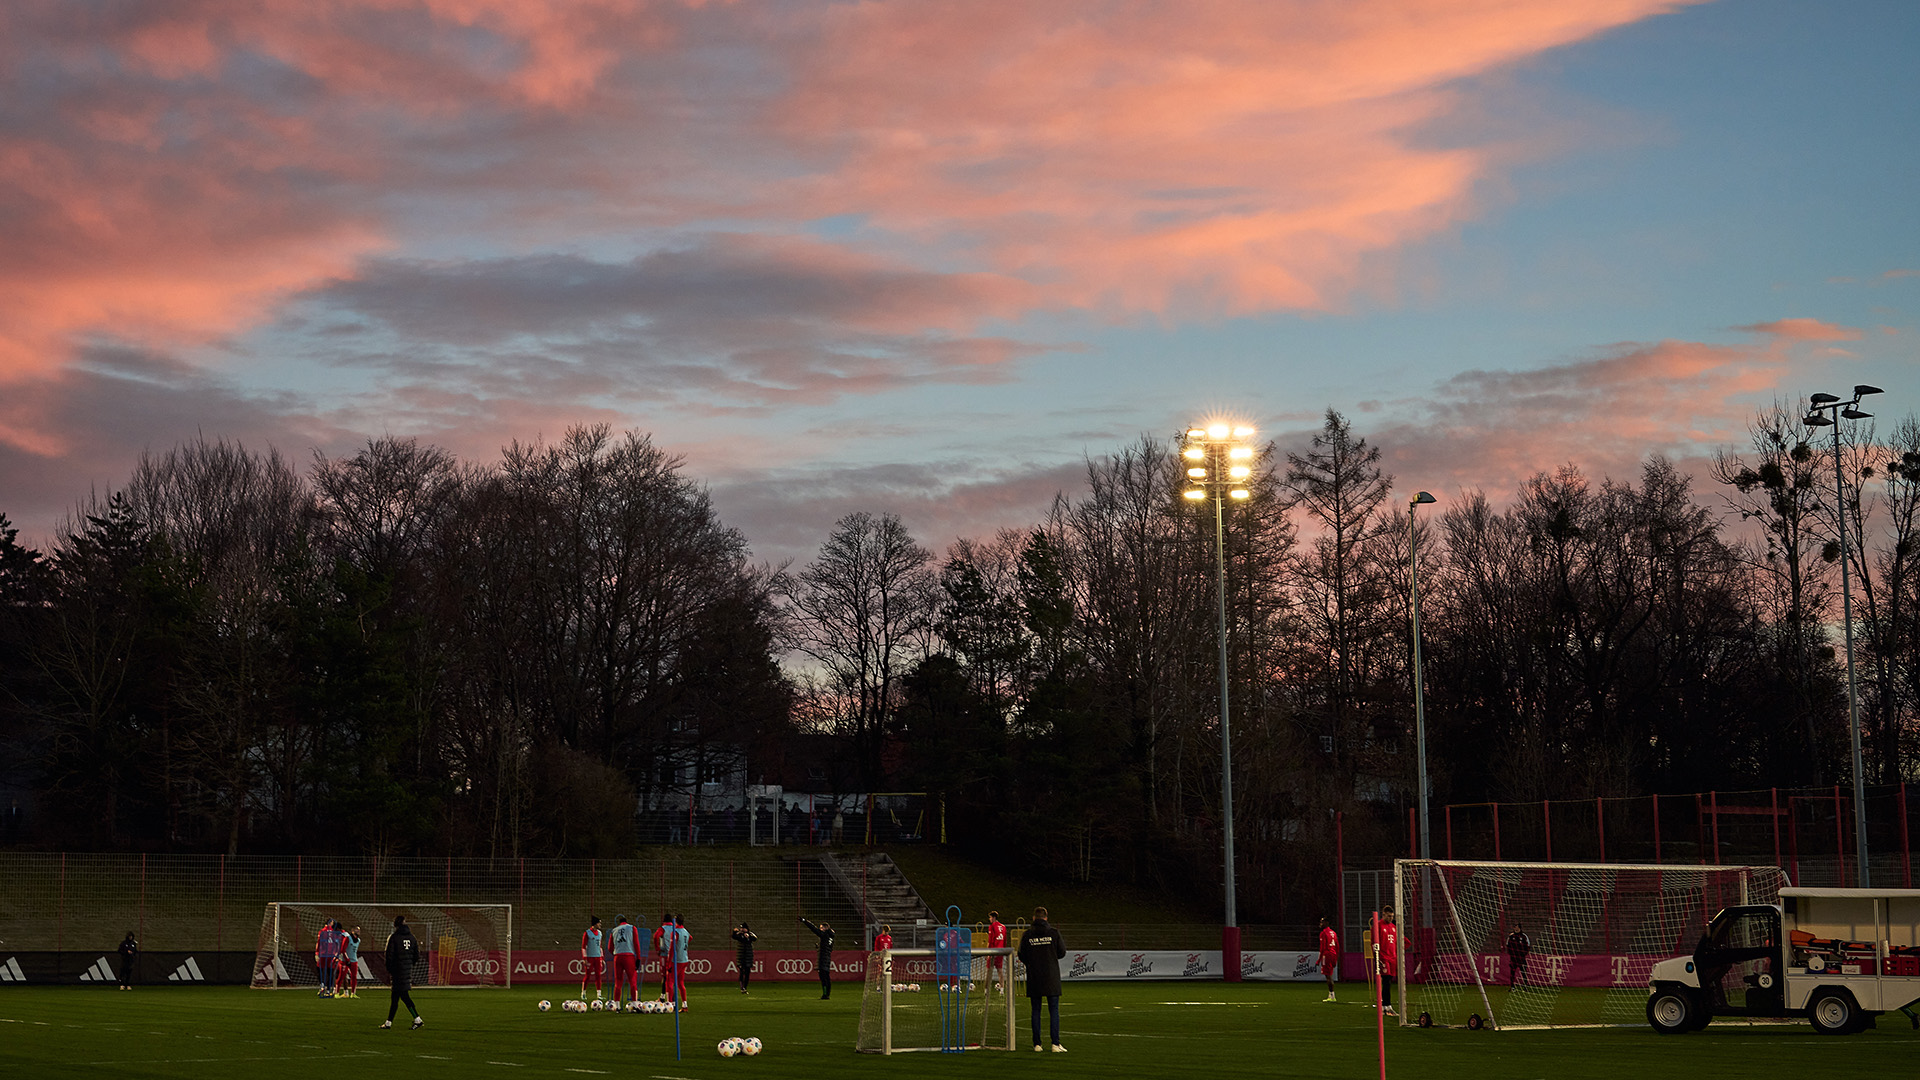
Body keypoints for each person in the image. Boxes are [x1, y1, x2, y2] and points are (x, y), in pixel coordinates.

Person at [1017, 906, 1066, 1053]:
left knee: (1036, 1011)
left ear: (1033, 918)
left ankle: (1037, 1044)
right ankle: (1055, 1044)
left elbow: (1021, 955)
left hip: (1034, 976)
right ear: (1046, 917)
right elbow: (1062, 952)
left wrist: (1032, 962)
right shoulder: (1054, 933)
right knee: (1054, 1010)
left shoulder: (1027, 935)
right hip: (1051, 976)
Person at [381, 915, 423, 1029]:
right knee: (399, 996)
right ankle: (389, 1022)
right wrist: (409, 965)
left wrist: (390, 969)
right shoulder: (412, 937)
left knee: (401, 996)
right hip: (407, 970)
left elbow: (389, 955)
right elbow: (416, 955)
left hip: (397, 971)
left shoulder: (394, 937)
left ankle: (417, 1019)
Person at [800, 917, 835, 999]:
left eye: (822, 928)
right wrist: (819, 946)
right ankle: (827, 994)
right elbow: (828, 947)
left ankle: (825, 995)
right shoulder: (831, 936)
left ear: (826, 928)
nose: (821, 929)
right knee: (826, 976)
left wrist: (805, 921)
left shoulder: (825, 934)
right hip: (827, 957)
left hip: (823, 958)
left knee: (823, 977)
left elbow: (814, 929)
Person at [610, 915, 639, 1006]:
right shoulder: (632, 928)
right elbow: (636, 944)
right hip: (629, 956)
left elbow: (609, 947)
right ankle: (634, 1003)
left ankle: (617, 1006)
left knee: (618, 981)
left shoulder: (614, 930)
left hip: (617, 956)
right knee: (632, 980)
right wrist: (638, 958)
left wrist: (615, 953)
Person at [1378, 908, 1399, 1017]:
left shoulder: (1393, 927)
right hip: (1383, 957)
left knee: (1389, 980)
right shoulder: (1378, 926)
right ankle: (1385, 1006)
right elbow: (1374, 942)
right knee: (1386, 981)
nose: (1391, 918)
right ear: (1383, 914)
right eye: (1389, 916)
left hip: (1392, 958)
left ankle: (1387, 1006)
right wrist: (1377, 957)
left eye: (1392, 916)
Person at [580, 915, 605, 1001]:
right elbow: (583, 947)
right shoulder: (587, 933)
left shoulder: (600, 933)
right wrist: (585, 958)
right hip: (590, 957)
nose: (600, 925)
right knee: (588, 975)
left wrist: (602, 957)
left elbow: (600, 946)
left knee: (598, 975)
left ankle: (599, 994)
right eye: (599, 923)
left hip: (598, 957)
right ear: (595, 923)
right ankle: (583, 993)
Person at [670, 913, 691, 1009]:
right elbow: (690, 938)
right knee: (680, 983)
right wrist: (683, 945)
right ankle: (684, 1005)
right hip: (684, 959)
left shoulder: (675, 932)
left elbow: (671, 948)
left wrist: (668, 962)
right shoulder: (685, 931)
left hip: (677, 960)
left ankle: (671, 1005)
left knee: (669, 983)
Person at [731, 922, 757, 994]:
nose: (742, 929)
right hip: (741, 956)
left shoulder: (750, 934)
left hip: (748, 957)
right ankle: (742, 988)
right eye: (741, 928)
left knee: (747, 973)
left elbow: (755, 938)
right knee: (742, 972)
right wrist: (734, 931)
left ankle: (745, 987)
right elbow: (734, 937)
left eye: (743, 928)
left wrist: (748, 936)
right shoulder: (739, 934)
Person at [316, 919, 340, 998]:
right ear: (330, 923)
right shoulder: (334, 932)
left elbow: (319, 942)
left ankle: (322, 984)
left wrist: (317, 953)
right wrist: (336, 953)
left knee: (319, 969)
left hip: (323, 954)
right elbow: (337, 943)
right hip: (331, 954)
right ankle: (329, 990)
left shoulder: (322, 931)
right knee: (330, 972)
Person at [1318, 917, 1339, 1002]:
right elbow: (1337, 946)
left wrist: (1319, 960)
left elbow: (1323, 947)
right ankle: (1331, 995)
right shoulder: (1333, 933)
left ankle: (1332, 995)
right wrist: (1336, 958)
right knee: (1329, 974)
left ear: (1326, 923)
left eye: (1321, 922)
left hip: (1327, 955)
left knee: (1328, 976)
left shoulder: (1323, 933)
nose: (1320, 924)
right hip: (1333, 954)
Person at [986, 911, 1008, 992]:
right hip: (1001, 951)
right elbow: (1005, 940)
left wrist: (988, 953)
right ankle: (1002, 989)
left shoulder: (992, 926)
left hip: (993, 951)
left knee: (989, 971)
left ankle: (986, 989)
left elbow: (990, 941)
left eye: (990, 917)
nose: (989, 919)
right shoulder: (1003, 927)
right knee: (1000, 970)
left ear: (994, 917)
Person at [340, 925, 362, 998]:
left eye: (359, 930)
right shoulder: (347, 938)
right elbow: (343, 949)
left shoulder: (358, 940)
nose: (358, 931)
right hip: (345, 960)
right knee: (341, 976)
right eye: (356, 930)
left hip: (354, 960)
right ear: (352, 931)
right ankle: (336, 991)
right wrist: (347, 959)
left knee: (354, 977)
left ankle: (353, 993)